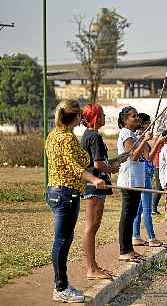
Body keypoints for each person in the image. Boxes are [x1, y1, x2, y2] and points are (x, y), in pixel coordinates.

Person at [45, 99, 106, 303]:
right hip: (66, 194)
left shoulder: (55, 135)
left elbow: (77, 162)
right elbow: (76, 167)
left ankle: (61, 285)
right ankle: (60, 288)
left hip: (56, 192)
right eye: (80, 115)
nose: (82, 119)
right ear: (76, 116)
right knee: (62, 241)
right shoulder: (67, 139)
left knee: (63, 240)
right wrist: (95, 179)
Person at [81, 104, 119, 281]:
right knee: (91, 227)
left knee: (93, 227)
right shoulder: (94, 136)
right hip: (95, 187)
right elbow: (98, 165)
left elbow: (98, 161)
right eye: (102, 114)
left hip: (95, 186)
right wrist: (111, 168)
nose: (104, 116)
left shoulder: (88, 136)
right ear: (95, 118)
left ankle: (93, 266)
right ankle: (91, 268)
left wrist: (114, 162)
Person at [117, 106, 152, 263]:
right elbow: (133, 157)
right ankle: (124, 250)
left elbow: (146, 156)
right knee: (127, 215)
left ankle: (129, 249)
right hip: (129, 180)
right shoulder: (125, 133)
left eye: (137, 115)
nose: (137, 118)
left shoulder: (133, 134)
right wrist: (144, 140)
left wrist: (145, 138)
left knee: (131, 215)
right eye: (133, 116)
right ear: (125, 120)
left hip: (136, 180)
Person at [132, 113, 164, 247]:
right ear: (145, 124)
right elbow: (149, 158)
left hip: (140, 174)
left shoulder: (136, 136)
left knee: (138, 208)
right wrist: (158, 143)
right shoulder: (142, 138)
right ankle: (152, 237)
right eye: (150, 123)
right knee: (146, 208)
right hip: (145, 175)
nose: (151, 126)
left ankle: (136, 236)